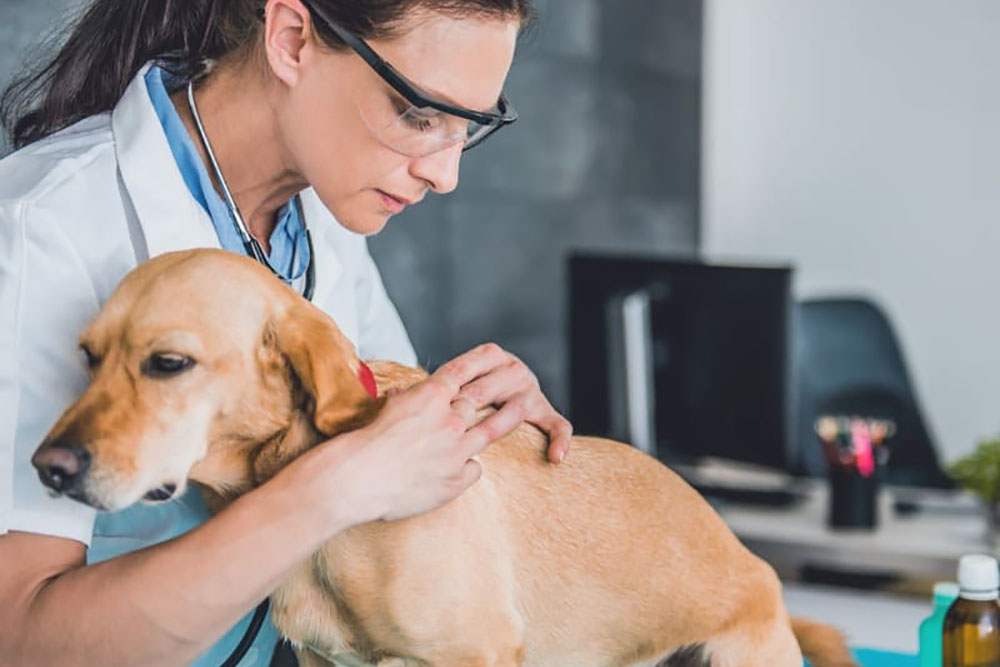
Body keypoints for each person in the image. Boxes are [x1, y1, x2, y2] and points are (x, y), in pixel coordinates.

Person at [0, 0, 573, 664]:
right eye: (419, 114)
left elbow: (398, 478)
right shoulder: (39, 229)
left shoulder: (324, 218)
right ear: (293, 39)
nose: (444, 176)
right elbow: (18, 636)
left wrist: (485, 431)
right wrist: (330, 491)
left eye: (468, 126)